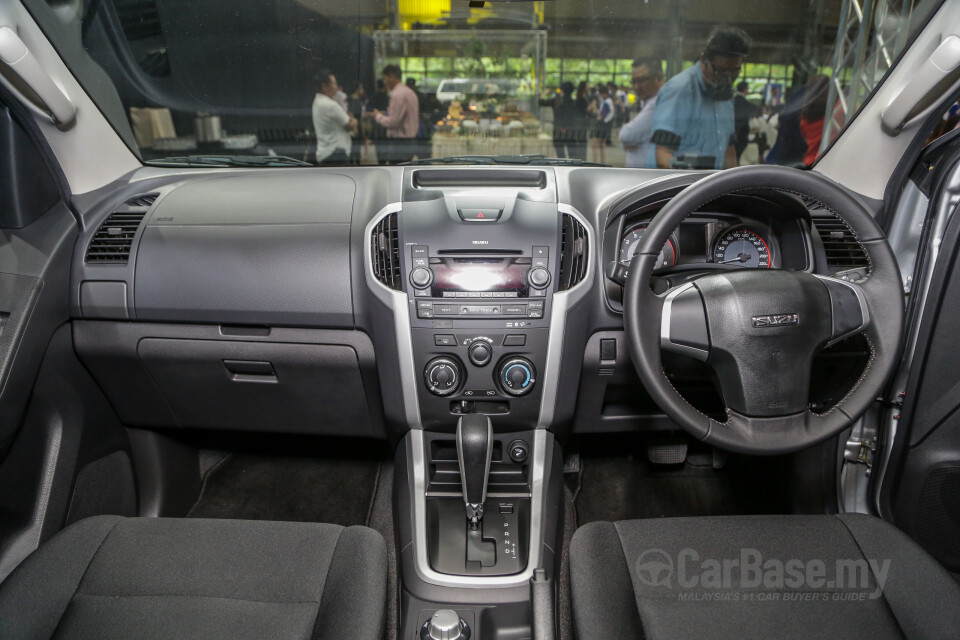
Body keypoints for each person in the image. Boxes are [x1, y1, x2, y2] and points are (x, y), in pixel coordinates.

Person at [649, 25, 751, 170]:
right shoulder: (680, 91)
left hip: (710, 187)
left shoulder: (726, 95)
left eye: (733, 73)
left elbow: (728, 149)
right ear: (704, 60)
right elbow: (662, 153)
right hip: (681, 187)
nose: (726, 80)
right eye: (719, 71)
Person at [367, 65, 420, 164]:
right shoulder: (410, 92)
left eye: (385, 78)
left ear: (392, 76)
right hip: (411, 140)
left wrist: (377, 115)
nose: (385, 82)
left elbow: (394, 122)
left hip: (399, 143)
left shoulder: (397, 94)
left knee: (396, 173)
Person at [619, 57, 664, 168]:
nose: (637, 86)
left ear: (659, 77)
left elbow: (626, 136)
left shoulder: (658, 103)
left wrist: (627, 141)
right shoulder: (648, 101)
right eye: (634, 81)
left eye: (642, 80)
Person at [311, 69, 356, 165]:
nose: (336, 87)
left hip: (325, 153)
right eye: (334, 84)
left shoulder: (317, 101)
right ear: (324, 86)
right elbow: (350, 125)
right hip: (336, 154)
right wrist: (354, 119)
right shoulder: (330, 104)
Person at [798, 74, 830, 167]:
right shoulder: (837, 112)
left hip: (809, 163)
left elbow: (805, 136)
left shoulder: (804, 117)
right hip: (827, 162)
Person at [553, 81, 586, 160]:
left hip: (559, 130)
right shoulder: (574, 103)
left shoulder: (557, 102)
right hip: (571, 130)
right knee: (572, 155)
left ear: (562, 90)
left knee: (560, 156)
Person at [587, 84, 615, 164]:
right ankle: (602, 162)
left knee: (595, 145)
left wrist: (595, 109)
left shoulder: (607, 102)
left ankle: (594, 162)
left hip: (602, 125)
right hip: (606, 126)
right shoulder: (608, 101)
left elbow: (602, 115)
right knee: (602, 146)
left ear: (603, 94)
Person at [733, 80, 761, 158]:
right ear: (745, 90)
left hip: (734, 130)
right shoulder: (743, 102)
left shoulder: (734, 100)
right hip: (741, 131)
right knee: (738, 153)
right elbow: (754, 110)